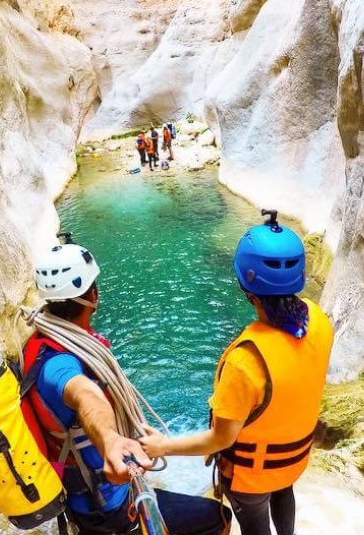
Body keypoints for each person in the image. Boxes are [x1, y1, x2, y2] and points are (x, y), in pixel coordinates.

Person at [139, 210, 335, 535]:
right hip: (296, 457)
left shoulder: (246, 361)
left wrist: (163, 447)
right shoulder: (318, 319)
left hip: (252, 477)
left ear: (246, 287)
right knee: (284, 491)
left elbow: (220, 439)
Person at [25, 240, 229, 535]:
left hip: (81, 495)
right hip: (108, 506)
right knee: (217, 517)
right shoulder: (58, 366)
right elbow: (85, 395)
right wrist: (110, 440)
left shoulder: (41, 344)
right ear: (93, 296)